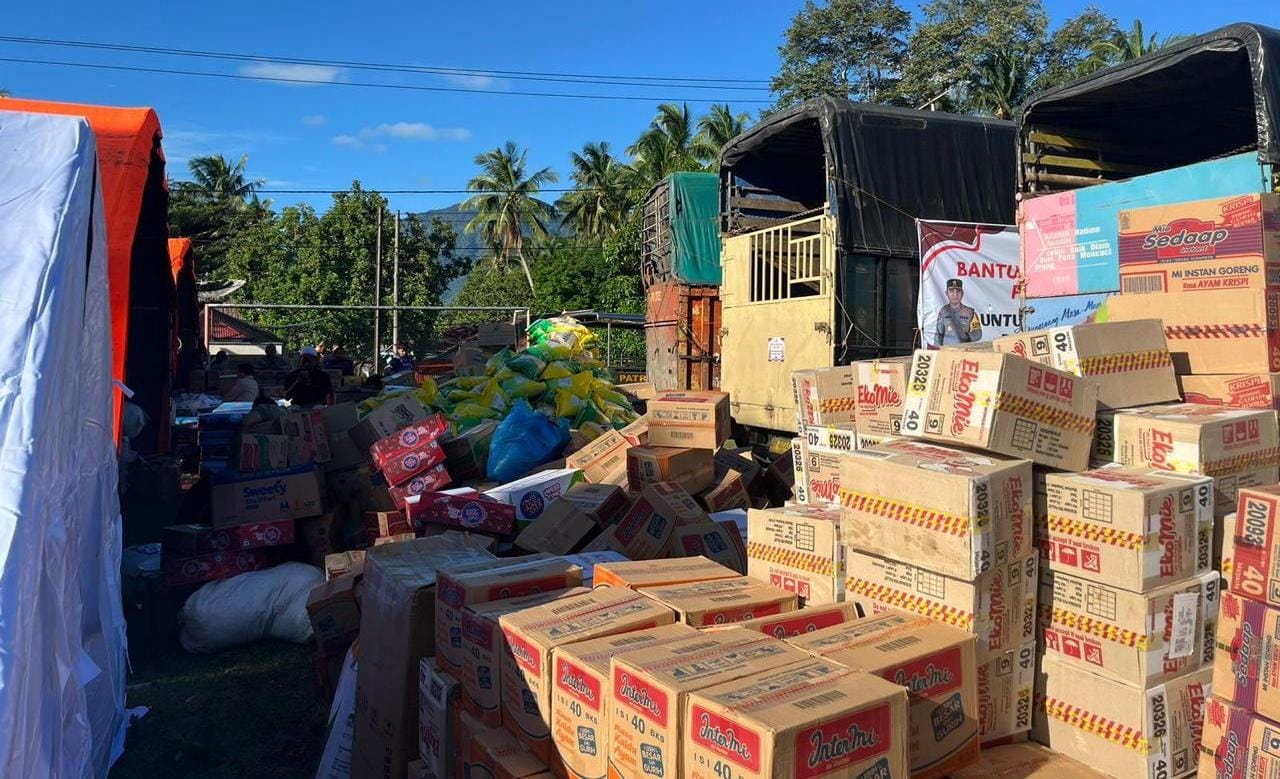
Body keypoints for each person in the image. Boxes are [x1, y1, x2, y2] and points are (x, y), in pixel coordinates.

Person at [934, 278, 982, 347]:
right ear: (946, 293)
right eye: (951, 291)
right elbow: (938, 334)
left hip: (964, 351)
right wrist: (937, 351)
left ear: (962, 293)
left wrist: (967, 336)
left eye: (958, 291)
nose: (955, 294)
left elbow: (978, 332)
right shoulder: (943, 311)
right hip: (947, 351)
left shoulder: (970, 312)